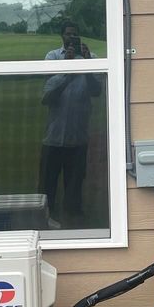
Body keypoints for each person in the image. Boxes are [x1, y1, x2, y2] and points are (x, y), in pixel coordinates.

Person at [40, 21, 101, 227]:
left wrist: (85, 65)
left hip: (78, 137)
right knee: (47, 188)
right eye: (68, 35)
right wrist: (67, 70)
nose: (71, 38)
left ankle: (74, 226)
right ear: (62, 37)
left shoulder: (90, 58)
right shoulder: (53, 57)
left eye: (75, 35)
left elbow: (96, 91)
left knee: (74, 187)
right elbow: (47, 98)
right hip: (53, 137)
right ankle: (46, 223)